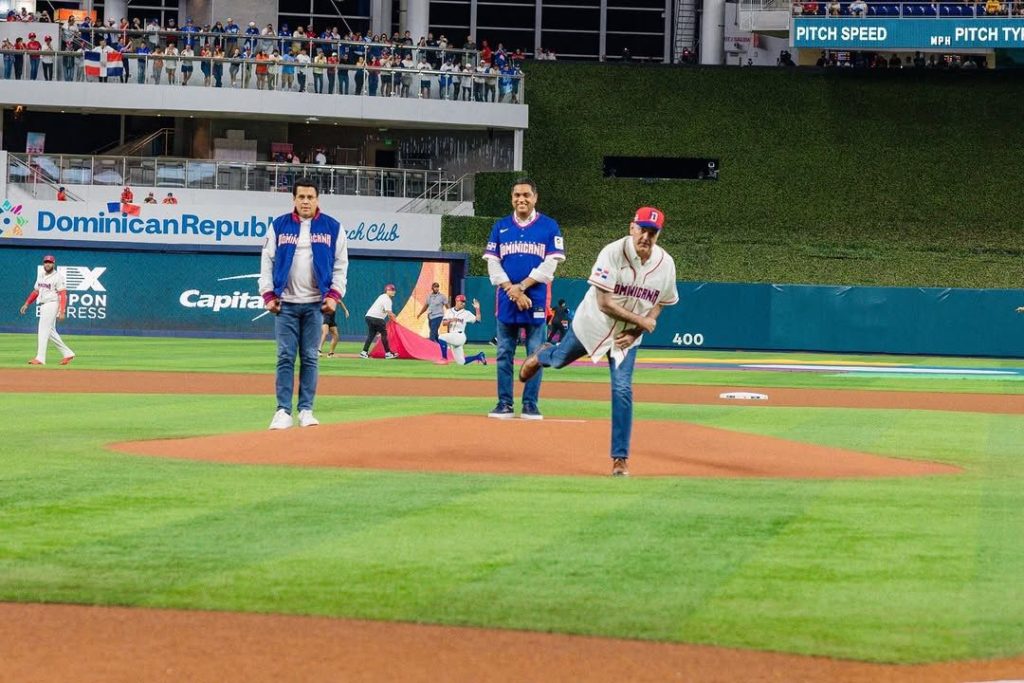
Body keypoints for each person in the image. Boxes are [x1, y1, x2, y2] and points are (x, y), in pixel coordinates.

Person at [519, 207, 679, 477]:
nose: (646, 237)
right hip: (592, 325)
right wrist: (642, 323)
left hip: (626, 339)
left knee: (622, 389)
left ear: (658, 234)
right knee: (558, 360)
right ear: (632, 228)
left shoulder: (666, 264)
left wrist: (636, 331)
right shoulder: (612, 253)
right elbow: (605, 303)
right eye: (642, 230)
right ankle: (541, 355)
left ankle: (620, 458)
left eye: (652, 232)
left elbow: (662, 301)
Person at [258, 178, 349, 430]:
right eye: (301, 197)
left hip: (315, 304)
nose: (306, 201)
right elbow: (267, 261)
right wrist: (267, 294)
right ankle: (282, 412)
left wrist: (334, 295)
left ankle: (306, 410)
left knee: (310, 357)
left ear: (317, 199)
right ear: (294, 199)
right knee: (285, 356)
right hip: (285, 303)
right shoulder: (279, 225)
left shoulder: (332, 227)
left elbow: (341, 265)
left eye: (310, 197)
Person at [483, 178, 565, 419]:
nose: (521, 199)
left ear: (535, 197)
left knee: (535, 355)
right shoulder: (500, 226)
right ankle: (504, 404)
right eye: (517, 195)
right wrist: (512, 290)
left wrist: (521, 287)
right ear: (512, 198)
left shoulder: (549, 226)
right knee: (503, 354)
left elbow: (550, 266)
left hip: (536, 299)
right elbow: (493, 263)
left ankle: (530, 404)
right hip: (506, 299)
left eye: (526, 195)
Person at [20, 254, 75, 366]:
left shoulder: (57, 277)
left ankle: (40, 358)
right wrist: (27, 303)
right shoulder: (41, 275)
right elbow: (36, 291)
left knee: (43, 330)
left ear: (53, 264)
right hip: (44, 304)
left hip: (52, 303)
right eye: (46, 262)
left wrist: (62, 311)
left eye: (50, 262)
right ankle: (68, 353)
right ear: (43, 263)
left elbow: (63, 294)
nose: (47, 264)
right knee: (49, 331)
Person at [438, 295, 487, 365]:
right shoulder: (449, 311)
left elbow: (478, 320)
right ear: (456, 301)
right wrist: (451, 320)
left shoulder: (466, 313)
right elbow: (444, 323)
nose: (463, 303)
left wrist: (477, 309)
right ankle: (479, 356)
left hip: (460, 336)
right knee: (461, 362)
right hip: (452, 336)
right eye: (461, 301)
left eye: (464, 302)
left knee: (441, 337)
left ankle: (444, 359)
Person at [360, 284, 399, 359]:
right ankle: (388, 353)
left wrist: (392, 317)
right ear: (386, 291)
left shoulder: (382, 296)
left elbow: (387, 313)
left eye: (393, 290)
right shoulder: (387, 299)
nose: (393, 291)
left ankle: (364, 352)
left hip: (368, 317)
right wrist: (395, 319)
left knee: (371, 335)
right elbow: (389, 312)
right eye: (390, 290)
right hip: (377, 318)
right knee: (384, 334)